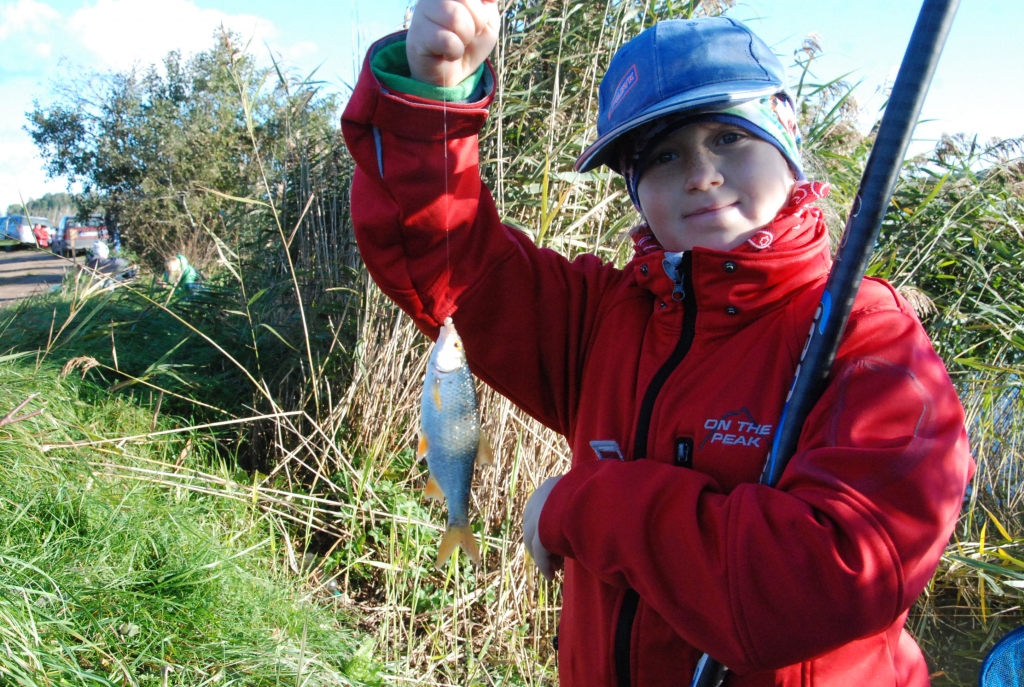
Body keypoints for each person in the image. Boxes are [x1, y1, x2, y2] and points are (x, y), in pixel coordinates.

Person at [342, 4, 973, 686]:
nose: (700, 173)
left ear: (786, 142)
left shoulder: (867, 339)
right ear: (636, 191)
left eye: (728, 137)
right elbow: (447, 260)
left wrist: (579, 505)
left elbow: (832, 577)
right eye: (664, 155)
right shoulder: (606, 320)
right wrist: (433, 99)